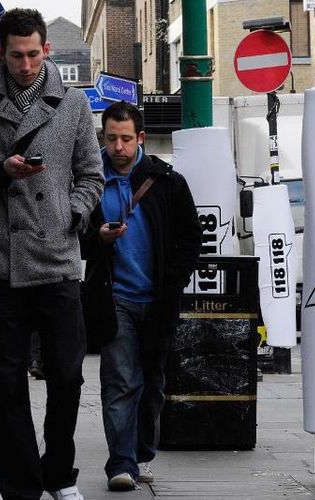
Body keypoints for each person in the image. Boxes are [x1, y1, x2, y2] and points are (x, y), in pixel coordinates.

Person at [0, 9, 103, 500]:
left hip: (55, 260)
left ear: (46, 50)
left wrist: (71, 215)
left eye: (34, 54)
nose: (27, 64)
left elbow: (91, 175)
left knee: (68, 378)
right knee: (7, 386)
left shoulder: (72, 104)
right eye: (17, 55)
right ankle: (21, 488)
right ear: (1, 52)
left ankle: (59, 475)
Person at [80, 102, 202, 491]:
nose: (118, 146)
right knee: (119, 381)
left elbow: (191, 239)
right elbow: (72, 237)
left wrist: (174, 281)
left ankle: (142, 453)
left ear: (141, 139)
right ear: (103, 136)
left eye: (126, 139)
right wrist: (97, 239)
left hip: (159, 299)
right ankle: (120, 463)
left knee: (153, 383)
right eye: (112, 138)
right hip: (114, 298)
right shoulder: (89, 181)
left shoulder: (166, 181)